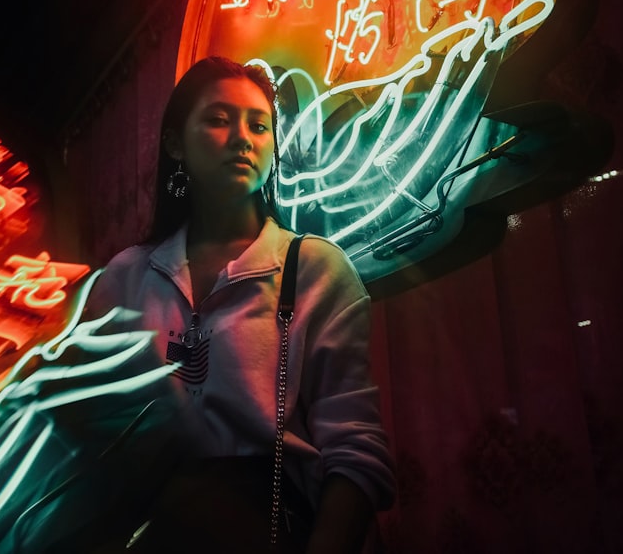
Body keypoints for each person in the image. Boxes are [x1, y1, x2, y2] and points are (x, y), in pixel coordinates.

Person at [84, 56, 396, 553]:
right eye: (217, 119)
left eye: (259, 125)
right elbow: (93, 435)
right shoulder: (125, 278)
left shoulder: (314, 268)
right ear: (174, 142)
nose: (243, 138)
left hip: (270, 526)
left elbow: (355, 451)